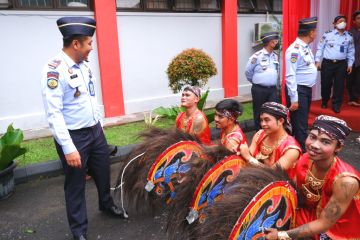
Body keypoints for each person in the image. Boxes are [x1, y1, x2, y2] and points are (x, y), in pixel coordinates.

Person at [41, 17, 125, 240]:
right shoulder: (54, 71)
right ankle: (79, 231)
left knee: (103, 171)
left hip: (94, 132)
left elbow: (90, 98)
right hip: (74, 136)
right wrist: (68, 148)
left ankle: (106, 205)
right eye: (89, 43)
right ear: (75, 44)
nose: (91, 47)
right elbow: (54, 113)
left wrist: (100, 127)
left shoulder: (84, 65)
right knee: (76, 185)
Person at [265, 115, 360, 240]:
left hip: (337, 228)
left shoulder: (346, 182)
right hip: (310, 212)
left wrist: (281, 235)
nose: (315, 145)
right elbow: (295, 192)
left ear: (338, 147)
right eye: (312, 137)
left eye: (325, 142)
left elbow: (324, 224)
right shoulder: (305, 159)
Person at [239, 102, 301, 178]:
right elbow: (248, 157)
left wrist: (249, 158)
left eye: (267, 120)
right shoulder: (260, 134)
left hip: (280, 186)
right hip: (256, 178)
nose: (262, 124)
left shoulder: (291, 149)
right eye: (261, 120)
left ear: (281, 121)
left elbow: (272, 173)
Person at [285, 17, 318, 152]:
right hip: (298, 91)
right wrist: (294, 98)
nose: (316, 34)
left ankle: (296, 151)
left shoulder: (305, 47)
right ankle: (302, 155)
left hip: (304, 90)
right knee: (300, 125)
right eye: (315, 31)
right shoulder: (295, 49)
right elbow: (290, 75)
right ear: (310, 33)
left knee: (301, 123)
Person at [315, 15, 355, 113]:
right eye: (340, 21)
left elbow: (351, 51)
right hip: (327, 63)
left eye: (344, 21)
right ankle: (325, 100)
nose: (343, 23)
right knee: (325, 84)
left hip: (341, 64)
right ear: (334, 24)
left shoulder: (349, 36)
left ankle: (336, 105)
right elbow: (320, 48)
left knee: (339, 85)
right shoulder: (327, 34)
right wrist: (317, 61)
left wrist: (350, 64)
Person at [245, 31, 280, 130]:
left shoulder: (275, 56)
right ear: (270, 42)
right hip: (259, 89)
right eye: (275, 40)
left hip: (272, 89)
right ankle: (259, 133)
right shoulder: (257, 56)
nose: (276, 42)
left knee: (273, 111)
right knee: (259, 112)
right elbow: (248, 72)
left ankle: (271, 132)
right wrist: (257, 82)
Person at [348, 10, 360, 107]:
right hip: (352, 61)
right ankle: (352, 99)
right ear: (354, 21)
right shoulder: (350, 32)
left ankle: (355, 98)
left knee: (358, 81)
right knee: (351, 81)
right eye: (358, 18)